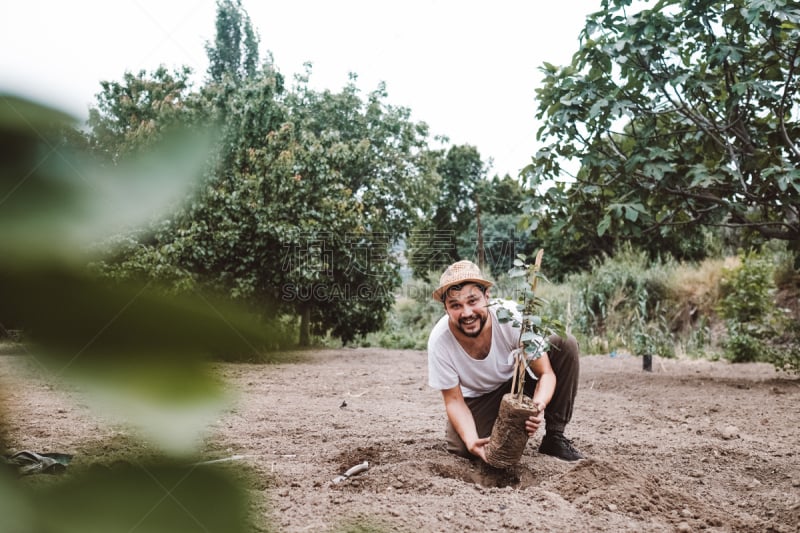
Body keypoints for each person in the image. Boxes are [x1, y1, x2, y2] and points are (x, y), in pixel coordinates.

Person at [427, 259, 584, 463]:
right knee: (462, 448)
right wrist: (472, 441)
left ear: (487, 297)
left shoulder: (511, 317)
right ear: (446, 308)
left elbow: (545, 373)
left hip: (518, 382)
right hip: (479, 397)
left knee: (563, 343)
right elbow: (454, 400)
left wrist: (537, 407)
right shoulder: (440, 341)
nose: (466, 313)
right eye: (455, 305)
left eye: (473, 301)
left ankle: (555, 436)